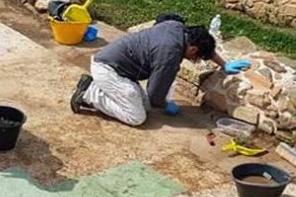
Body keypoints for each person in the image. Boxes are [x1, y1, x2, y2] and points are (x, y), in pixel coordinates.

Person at [70, 15, 251, 126]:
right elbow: (155, 94)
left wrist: (223, 64)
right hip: (108, 70)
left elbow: (203, 43)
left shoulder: (177, 28)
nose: (195, 61)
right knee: (137, 117)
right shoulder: (170, 54)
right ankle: (89, 94)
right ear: (193, 49)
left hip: (117, 66)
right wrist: (165, 105)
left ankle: (101, 89)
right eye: (197, 58)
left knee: (144, 106)